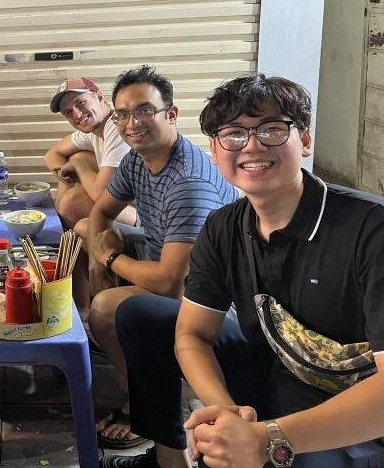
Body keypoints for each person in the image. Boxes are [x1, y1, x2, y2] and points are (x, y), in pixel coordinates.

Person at [105, 75, 384, 468]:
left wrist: (268, 439)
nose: (252, 146)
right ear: (215, 150)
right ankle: (170, 460)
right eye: (233, 134)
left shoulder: (369, 230)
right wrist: (226, 415)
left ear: (304, 140)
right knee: (141, 314)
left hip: (357, 411)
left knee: (291, 459)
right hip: (274, 371)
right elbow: (193, 334)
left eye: (271, 129)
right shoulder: (223, 227)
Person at [86, 65, 237, 449]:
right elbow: (101, 210)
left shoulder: (188, 183)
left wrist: (109, 260)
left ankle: (147, 405)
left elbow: (172, 282)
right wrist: (96, 260)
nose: (131, 123)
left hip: (213, 298)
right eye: (122, 114)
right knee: (83, 232)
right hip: (165, 257)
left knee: (104, 309)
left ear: (171, 114)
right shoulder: (138, 158)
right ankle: (133, 373)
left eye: (144, 111)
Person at [44, 77, 136, 311]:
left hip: (142, 215)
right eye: (68, 112)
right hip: (121, 208)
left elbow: (100, 195)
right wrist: (65, 172)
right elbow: (52, 153)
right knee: (75, 165)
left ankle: (96, 304)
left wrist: (79, 167)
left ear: (100, 97)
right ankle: (82, 305)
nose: (76, 114)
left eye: (80, 103)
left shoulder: (116, 127)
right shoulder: (94, 131)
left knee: (77, 212)